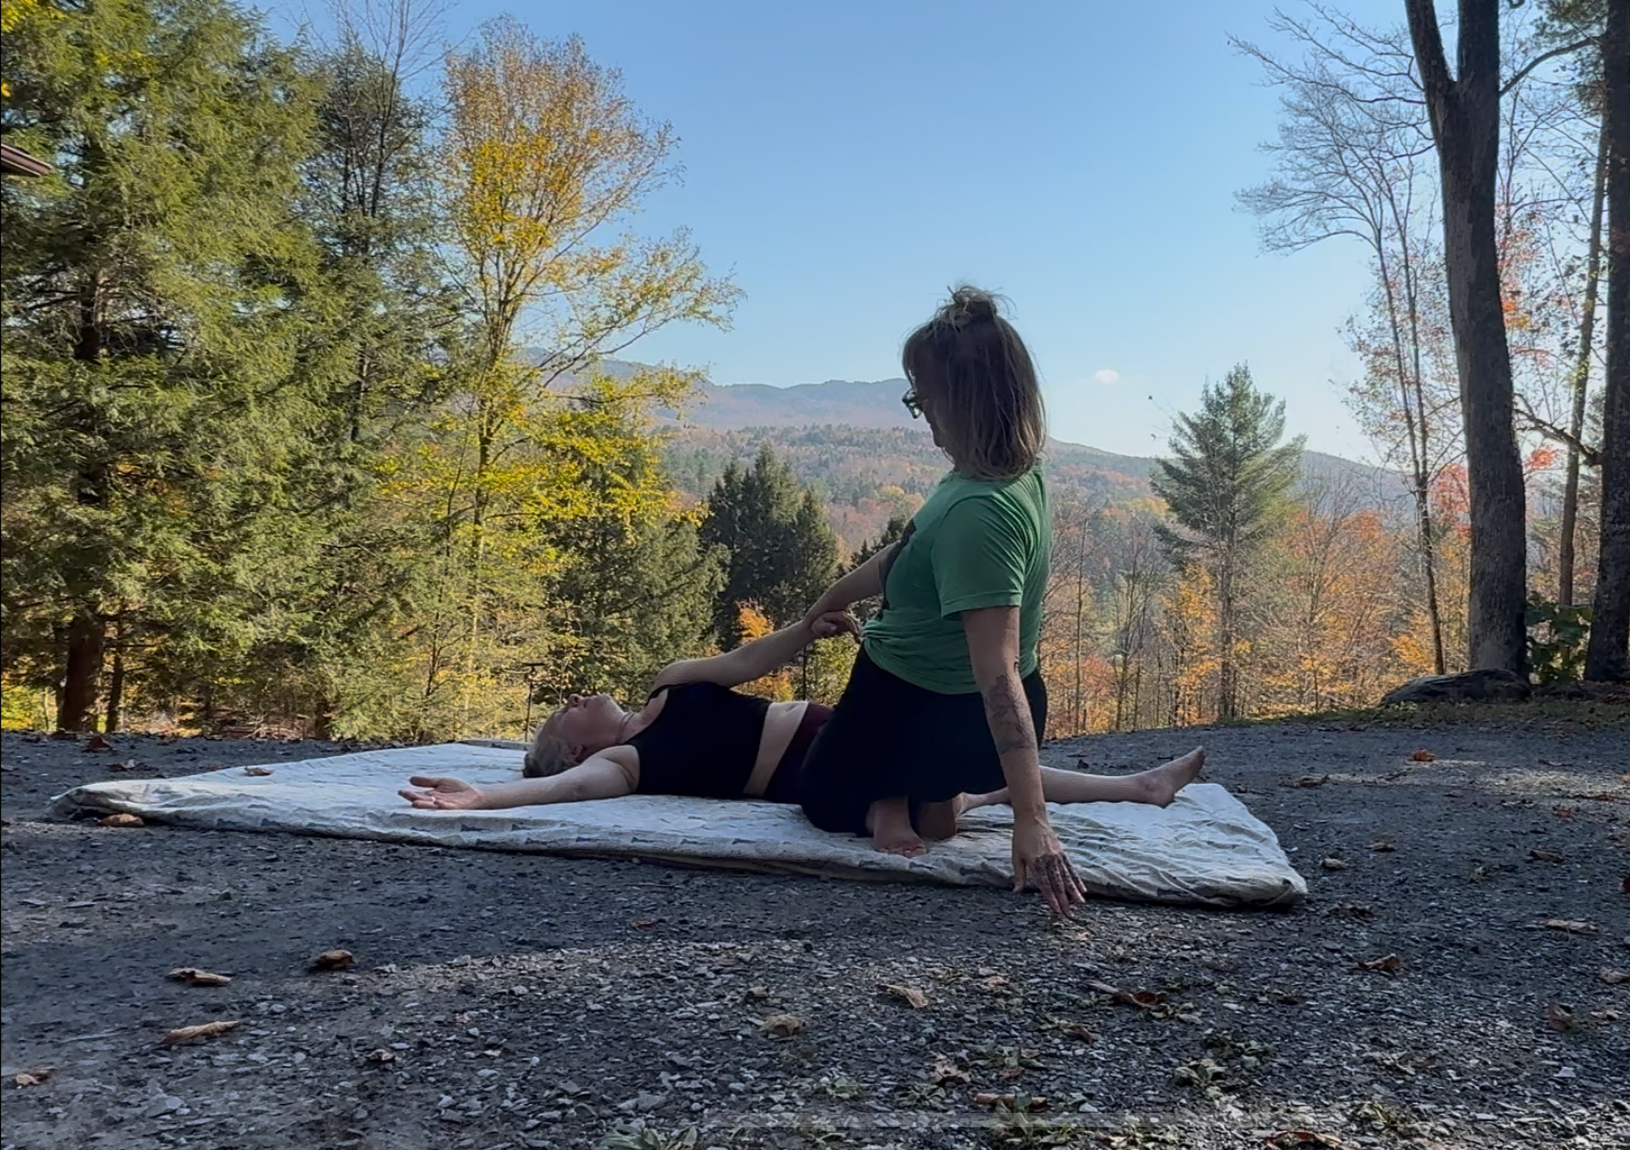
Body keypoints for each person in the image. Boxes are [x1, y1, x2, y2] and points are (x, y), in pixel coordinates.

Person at [793, 285, 1097, 914]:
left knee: (819, 794)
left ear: (963, 401)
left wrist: (1033, 820)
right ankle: (921, 798)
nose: (920, 411)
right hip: (965, 736)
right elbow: (905, 556)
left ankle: (889, 795)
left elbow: (997, 674)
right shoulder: (1015, 473)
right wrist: (826, 599)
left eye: (921, 396)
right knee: (938, 826)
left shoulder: (975, 513)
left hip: (916, 710)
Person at [398, 605, 1208, 818]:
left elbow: (749, 662)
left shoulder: (670, 682)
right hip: (815, 771)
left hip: (831, 720)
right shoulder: (622, 765)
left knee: (988, 776)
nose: (571, 700)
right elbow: (559, 795)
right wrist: (484, 795)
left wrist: (808, 627)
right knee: (978, 787)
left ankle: (1140, 788)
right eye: (557, 718)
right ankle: (1140, 790)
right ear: (575, 753)